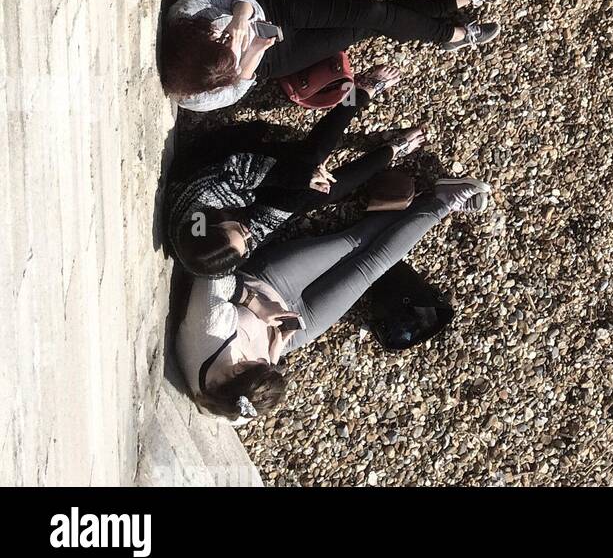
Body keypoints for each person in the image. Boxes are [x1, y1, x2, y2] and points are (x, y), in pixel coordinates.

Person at [176, 177, 491, 422]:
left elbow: (211, 275)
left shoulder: (208, 335)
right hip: (293, 330)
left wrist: (258, 305)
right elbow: (262, 381)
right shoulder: (242, 409)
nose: (263, 361)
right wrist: (275, 352)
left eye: (258, 364)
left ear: (233, 372)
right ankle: (442, 201)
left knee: (353, 241)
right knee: (372, 268)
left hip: (267, 283)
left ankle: (421, 198)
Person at [166, 72, 429, 275]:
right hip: (246, 196)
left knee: (311, 157)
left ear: (210, 223)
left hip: (225, 161)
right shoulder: (223, 258)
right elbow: (262, 226)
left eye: (239, 230)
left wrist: (303, 176)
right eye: (245, 242)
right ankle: (392, 149)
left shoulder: (200, 205)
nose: (247, 234)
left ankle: (359, 92)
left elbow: (239, 167)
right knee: (320, 194)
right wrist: (310, 186)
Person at [159, 0, 503, 111]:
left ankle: (450, 25)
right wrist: (251, 53)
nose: (226, 42)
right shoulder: (196, 98)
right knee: (361, 27)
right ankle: (452, 22)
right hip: (269, 57)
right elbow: (236, 91)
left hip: (270, 6)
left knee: (370, 11)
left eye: (219, 41)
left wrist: (237, 21)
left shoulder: (187, 13)